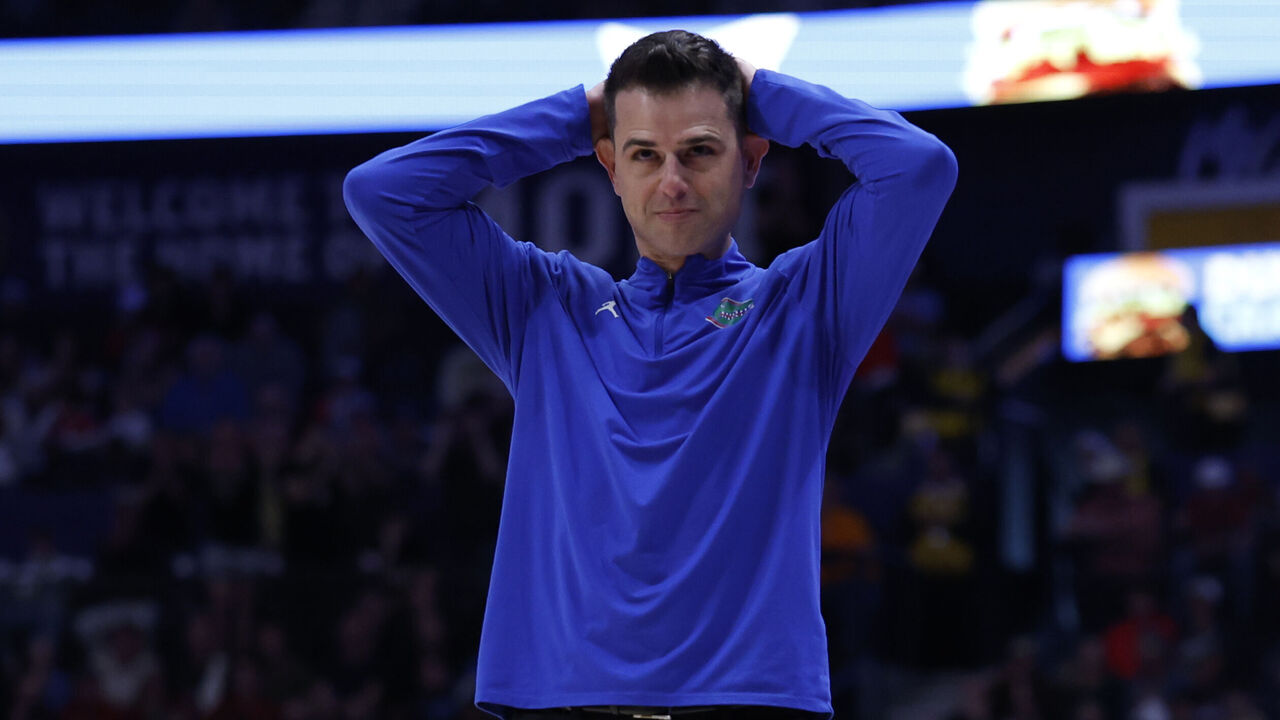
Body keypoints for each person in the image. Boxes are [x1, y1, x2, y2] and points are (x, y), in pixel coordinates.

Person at [344, 30, 956, 720]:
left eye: (700, 151)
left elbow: (918, 166)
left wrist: (759, 91)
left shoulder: (804, 305)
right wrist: (581, 113)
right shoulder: (543, 308)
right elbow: (384, 192)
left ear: (751, 160)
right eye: (644, 154)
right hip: (561, 706)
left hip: (747, 703)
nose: (672, 182)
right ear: (610, 166)